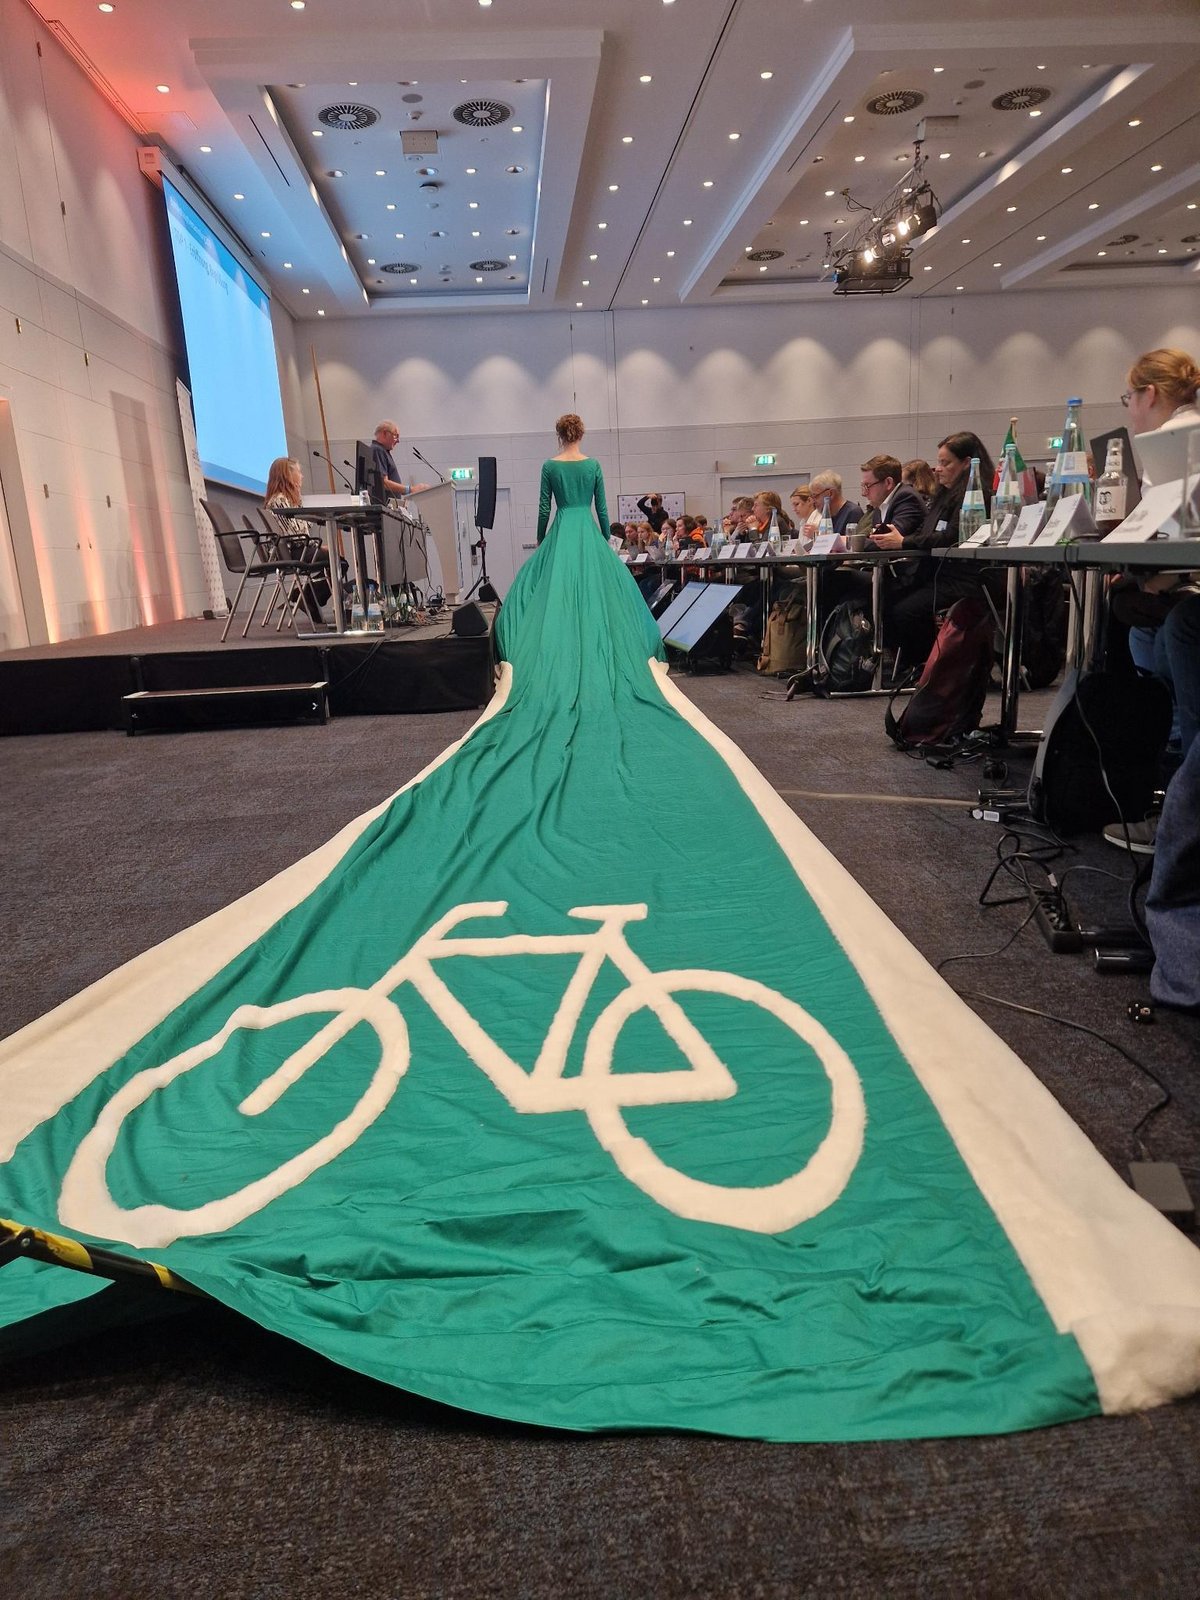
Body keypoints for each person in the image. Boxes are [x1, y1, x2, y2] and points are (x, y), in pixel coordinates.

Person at [1104, 347, 1200, 854]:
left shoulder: (1174, 443)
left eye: (1129, 398)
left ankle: (1181, 791)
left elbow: (1170, 536)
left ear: (1149, 394)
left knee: (1167, 626)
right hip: (1181, 582)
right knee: (1142, 618)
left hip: (1185, 589)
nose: (1130, 410)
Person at [877, 432, 995, 671]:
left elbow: (951, 537)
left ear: (967, 463)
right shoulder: (943, 495)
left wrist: (903, 542)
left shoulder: (976, 496)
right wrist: (900, 537)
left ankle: (927, 667)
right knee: (885, 600)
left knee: (906, 611)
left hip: (963, 579)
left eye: (945, 462)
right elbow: (925, 531)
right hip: (936, 575)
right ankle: (913, 664)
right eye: (938, 462)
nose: (937, 469)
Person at [263, 455, 330, 623]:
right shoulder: (279, 501)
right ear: (288, 475)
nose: (302, 476)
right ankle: (306, 596)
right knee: (336, 560)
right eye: (299, 472)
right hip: (291, 552)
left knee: (338, 561)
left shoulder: (290, 500)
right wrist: (318, 546)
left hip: (297, 549)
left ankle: (305, 596)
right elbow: (295, 535)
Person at [859, 455, 926, 545]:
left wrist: (851, 542)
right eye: (863, 486)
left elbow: (887, 541)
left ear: (888, 483)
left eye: (867, 485)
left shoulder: (906, 498)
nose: (864, 493)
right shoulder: (879, 506)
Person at [369, 421, 428, 501]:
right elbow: (383, 482)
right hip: (384, 505)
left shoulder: (382, 451)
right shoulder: (378, 450)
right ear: (385, 433)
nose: (398, 440)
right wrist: (410, 489)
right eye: (396, 436)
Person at [808, 471, 863, 540]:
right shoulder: (827, 515)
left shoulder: (853, 513)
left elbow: (850, 543)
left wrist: (819, 536)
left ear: (830, 494)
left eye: (815, 496)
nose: (813, 501)